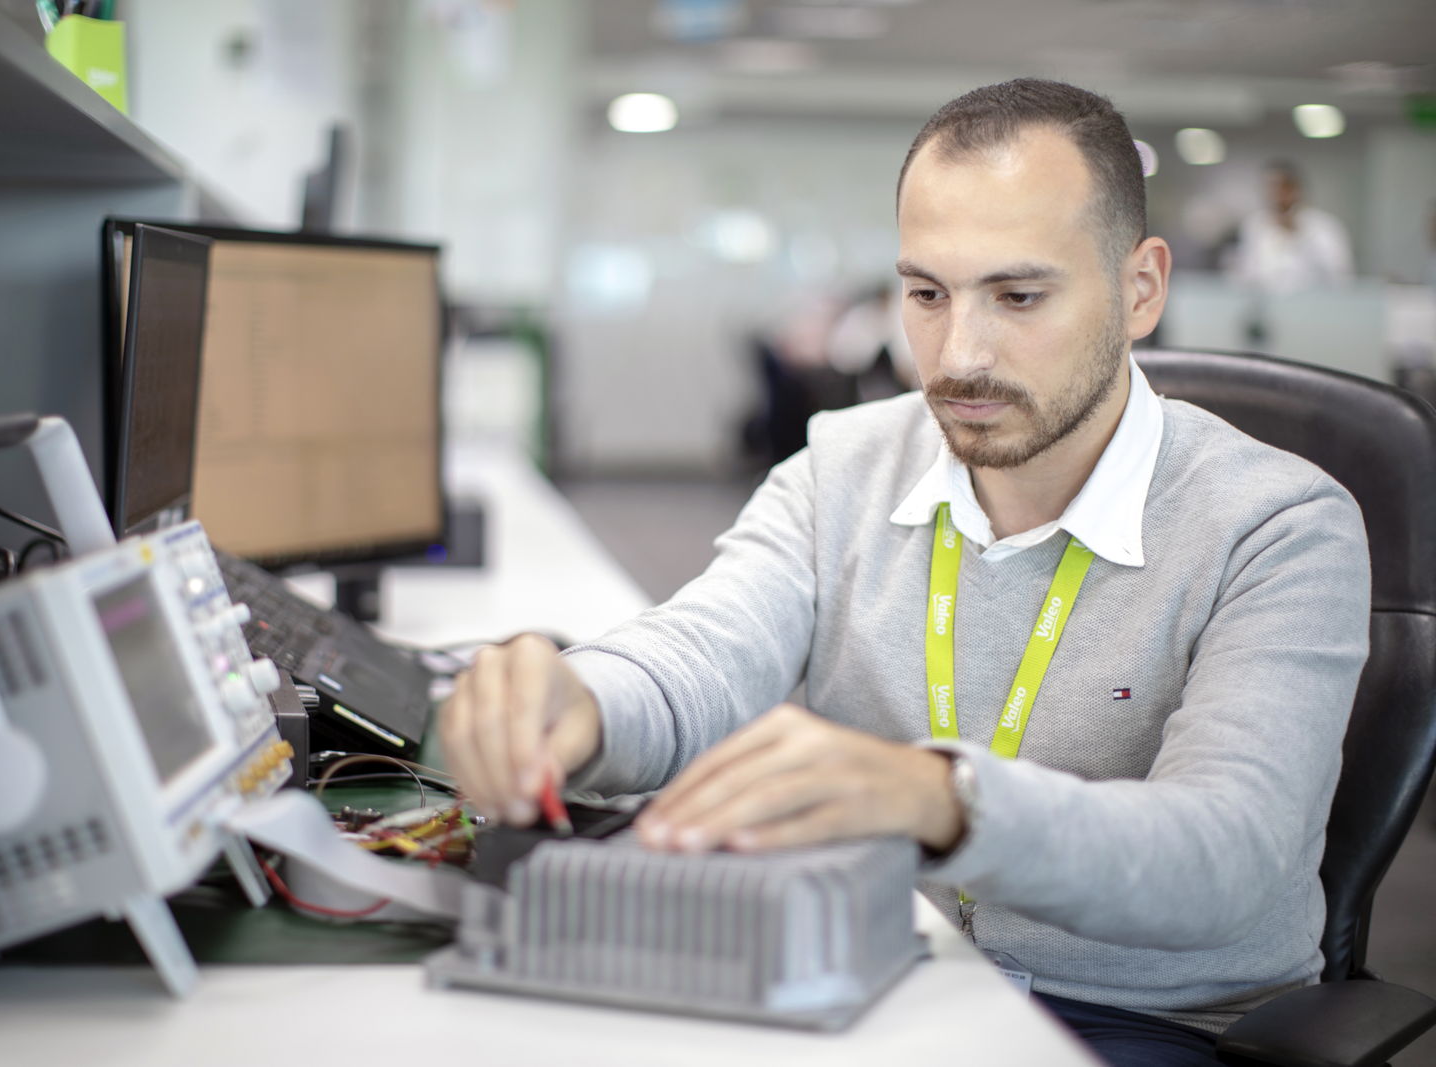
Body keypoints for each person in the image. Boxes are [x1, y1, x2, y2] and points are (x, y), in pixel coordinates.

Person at [440, 79, 1370, 1067]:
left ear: (1140, 288)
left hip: (1145, 1022)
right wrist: (577, 697)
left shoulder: (1280, 524)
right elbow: (700, 654)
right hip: (882, 974)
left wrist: (939, 799)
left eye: (1018, 296)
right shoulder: (841, 463)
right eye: (926, 293)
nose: (957, 356)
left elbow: (1224, 852)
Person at [1227, 160, 1354, 293]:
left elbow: (1341, 277)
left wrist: (1297, 234)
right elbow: (1244, 274)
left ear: (1297, 189)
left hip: (1314, 305)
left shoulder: (1324, 227)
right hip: (1266, 307)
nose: (1276, 195)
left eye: (1283, 187)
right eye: (1270, 187)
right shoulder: (1254, 225)